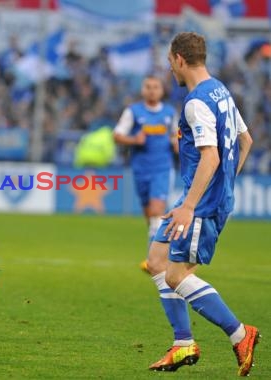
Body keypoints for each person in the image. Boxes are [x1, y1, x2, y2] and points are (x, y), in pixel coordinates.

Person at [146, 32, 258, 376]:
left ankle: (240, 334)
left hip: (201, 204)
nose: (169, 69)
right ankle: (183, 344)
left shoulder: (196, 102)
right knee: (156, 260)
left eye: (169, 62)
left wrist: (191, 204)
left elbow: (210, 156)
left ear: (180, 59)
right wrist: (223, 186)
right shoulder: (220, 91)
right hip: (205, 197)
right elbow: (246, 140)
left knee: (177, 276)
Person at [113, 76, 178, 273]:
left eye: (155, 87)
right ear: (143, 90)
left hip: (162, 168)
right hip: (141, 169)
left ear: (161, 90)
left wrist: (176, 141)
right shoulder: (133, 112)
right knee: (150, 215)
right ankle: (161, 254)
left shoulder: (169, 112)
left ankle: (154, 261)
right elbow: (117, 135)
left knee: (157, 210)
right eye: (148, 87)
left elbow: (176, 134)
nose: (151, 90)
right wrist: (134, 140)